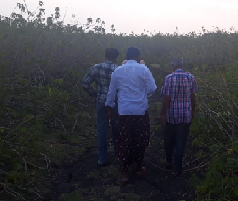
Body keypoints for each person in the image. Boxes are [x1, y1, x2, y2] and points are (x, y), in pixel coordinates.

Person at [105, 47, 157, 185]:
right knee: (140, 140)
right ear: (138, 56)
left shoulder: (118, 70)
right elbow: (152, 88)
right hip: (140, 111)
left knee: (123, 141)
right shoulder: (143, 69)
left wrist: (109, 106)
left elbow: (111, 93)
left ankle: (124, 173)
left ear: (126, 57)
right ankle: (138, 167)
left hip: (124, 112)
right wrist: (144, 96)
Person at [82, 48, 120, 167]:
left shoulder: (96, 67)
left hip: (101, 102)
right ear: (116, 57)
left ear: (105, 56)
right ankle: (118, 155)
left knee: (102, 130)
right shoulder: (119, 70)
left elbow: (85, 82)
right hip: (115, 103)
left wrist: (94, 93)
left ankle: (102, 158)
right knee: (116, 129)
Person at [160, 57, 198, 176]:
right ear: (182, 66)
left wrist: (163, 113)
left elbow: (166, 98)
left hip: (172, 115)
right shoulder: (190, 77)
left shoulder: (169, 78)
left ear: (173, 66)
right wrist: (192, 110)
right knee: (180, 141)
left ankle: (168, 162)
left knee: (168, 139)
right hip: (185, 115)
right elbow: (193, 96)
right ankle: (177, 169)